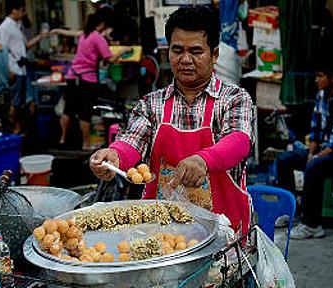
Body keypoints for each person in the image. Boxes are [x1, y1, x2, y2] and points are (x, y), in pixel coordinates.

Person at [89, 6, 253, 237]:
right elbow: (132, 140)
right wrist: (115, 155)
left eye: (196, 51)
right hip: (163, 236)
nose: (185, 59)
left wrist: (204, 160)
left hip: (224, 236)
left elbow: (239, 141)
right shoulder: (150, 104)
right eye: (177, 50)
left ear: (214, 54)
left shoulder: (234, 99)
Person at [276, 62, 333, 239]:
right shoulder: (322, 96)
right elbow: (315, 131)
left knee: (314, 166)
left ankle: (312, 225)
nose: (316, 80)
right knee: (284, 159)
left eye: (320, 76)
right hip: (324, 151)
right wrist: (310, 153)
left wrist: (315, 158)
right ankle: (290, 211)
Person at [59, 9, 132, 150]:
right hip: (86, 79)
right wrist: (125, 50)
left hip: (72, 76)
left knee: (68, 109)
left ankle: (62, 139)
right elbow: (109, 58)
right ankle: (85, 144)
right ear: (101, 24)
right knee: (84, 113)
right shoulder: (97, 37)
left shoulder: (84, 35)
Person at [0, 0, 47, 133]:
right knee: (14, 102)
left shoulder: (17, 26)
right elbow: (2, 50)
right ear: (14, 10)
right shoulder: (5, 27)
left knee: (20, 102)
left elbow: (23, 47)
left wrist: (40, 37)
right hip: (14, 69)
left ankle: (18, 129)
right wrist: (8, 70)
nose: (23, 13)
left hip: (22, 68)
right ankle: (11, 128)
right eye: (22, 10)